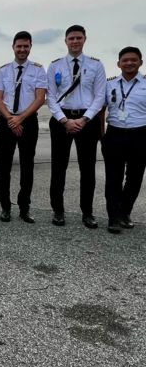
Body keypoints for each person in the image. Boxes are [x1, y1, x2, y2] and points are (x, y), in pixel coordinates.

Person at [46, 25, 106, 228]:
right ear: (65, 41)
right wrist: (64, 120)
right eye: (71, 38)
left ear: (84, 39)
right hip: (61, 120)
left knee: (87, 169)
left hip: (87, 121)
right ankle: (58, 210)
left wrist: (84, 119)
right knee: (58, 167)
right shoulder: (55, 66)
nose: (75, 41)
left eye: (78, 38)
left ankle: (87, 212)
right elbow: (51, 97)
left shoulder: (96, 65)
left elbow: (100, 96)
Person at [0, 32, 47, 224]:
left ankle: (24, 207)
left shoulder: (38, 70)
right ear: (13, 47)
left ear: (30, 47)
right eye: (19, 46)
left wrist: (21, 118)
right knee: (3, 167)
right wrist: (10, 119)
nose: (22, 49)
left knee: (27, 166)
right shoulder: (3, 70)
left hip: (28, 121)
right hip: (6, 120)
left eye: (26, 46)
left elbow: (40, 98)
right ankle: (5, 207)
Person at [103, 46, 146, 233]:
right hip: (114, 134)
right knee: (113, 178)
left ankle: (125, 212)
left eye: (133, 60)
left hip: (140, 135)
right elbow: (100, 110)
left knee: (134, 178)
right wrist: (102, 135)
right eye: (125, 60)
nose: (129, 63)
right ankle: (113, 217)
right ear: (118, 63)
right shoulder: (109, 84)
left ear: (140, 62)